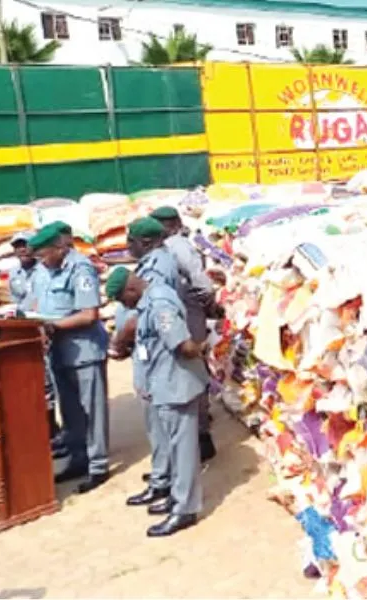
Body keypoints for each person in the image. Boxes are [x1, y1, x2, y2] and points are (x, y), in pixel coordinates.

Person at [106, 267, 207, 537]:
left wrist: (205, 346)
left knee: (183, 450)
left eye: (123, 300)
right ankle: (176, 496)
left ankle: (185, 509)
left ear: (130, 289)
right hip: (163, 384)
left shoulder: (160, 302)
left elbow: (183, 346)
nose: (125, 306)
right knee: (173, 447)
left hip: (176, 385)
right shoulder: (150, 300)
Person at [28, 222, 110, 493]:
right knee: (71, 410)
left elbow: (89, 314)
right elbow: (31, 305)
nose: (41, 261)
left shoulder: (80, 268)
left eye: (44, 254)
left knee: (92, 410)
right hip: (57, 352)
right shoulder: (41, 271)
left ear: (60, 248)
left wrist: (53, 326)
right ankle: (78, 458)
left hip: (84, 350)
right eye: (38, 256)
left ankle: (98, 465)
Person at [110, 217, 180, 508]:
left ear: (147, 243)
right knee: (155, 422)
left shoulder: (157, 268)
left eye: (132, 242)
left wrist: (122, 337)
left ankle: (165, 482)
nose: (128, 247)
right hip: (143, 348)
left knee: (159, 421)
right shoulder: (152, 262)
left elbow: (151, 310)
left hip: (151, 351)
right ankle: (162, 475)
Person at [150, 206, 217, 463]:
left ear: (171, 225)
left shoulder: (177, 245)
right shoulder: (165, 247)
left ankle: (202, 436)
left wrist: (203, 302)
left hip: (187, 314)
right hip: (179, 313)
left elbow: (200, 281)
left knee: (192, 371)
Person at [10, 230, 65, 457]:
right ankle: (45, 430)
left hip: (47, 329)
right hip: (25, 331)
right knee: (35, 381)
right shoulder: (13, 274)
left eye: (25, 245)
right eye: (17, 246)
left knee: (50, 383)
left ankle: (54, 430)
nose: (22, 249)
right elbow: (17, 302)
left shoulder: (46, 271)